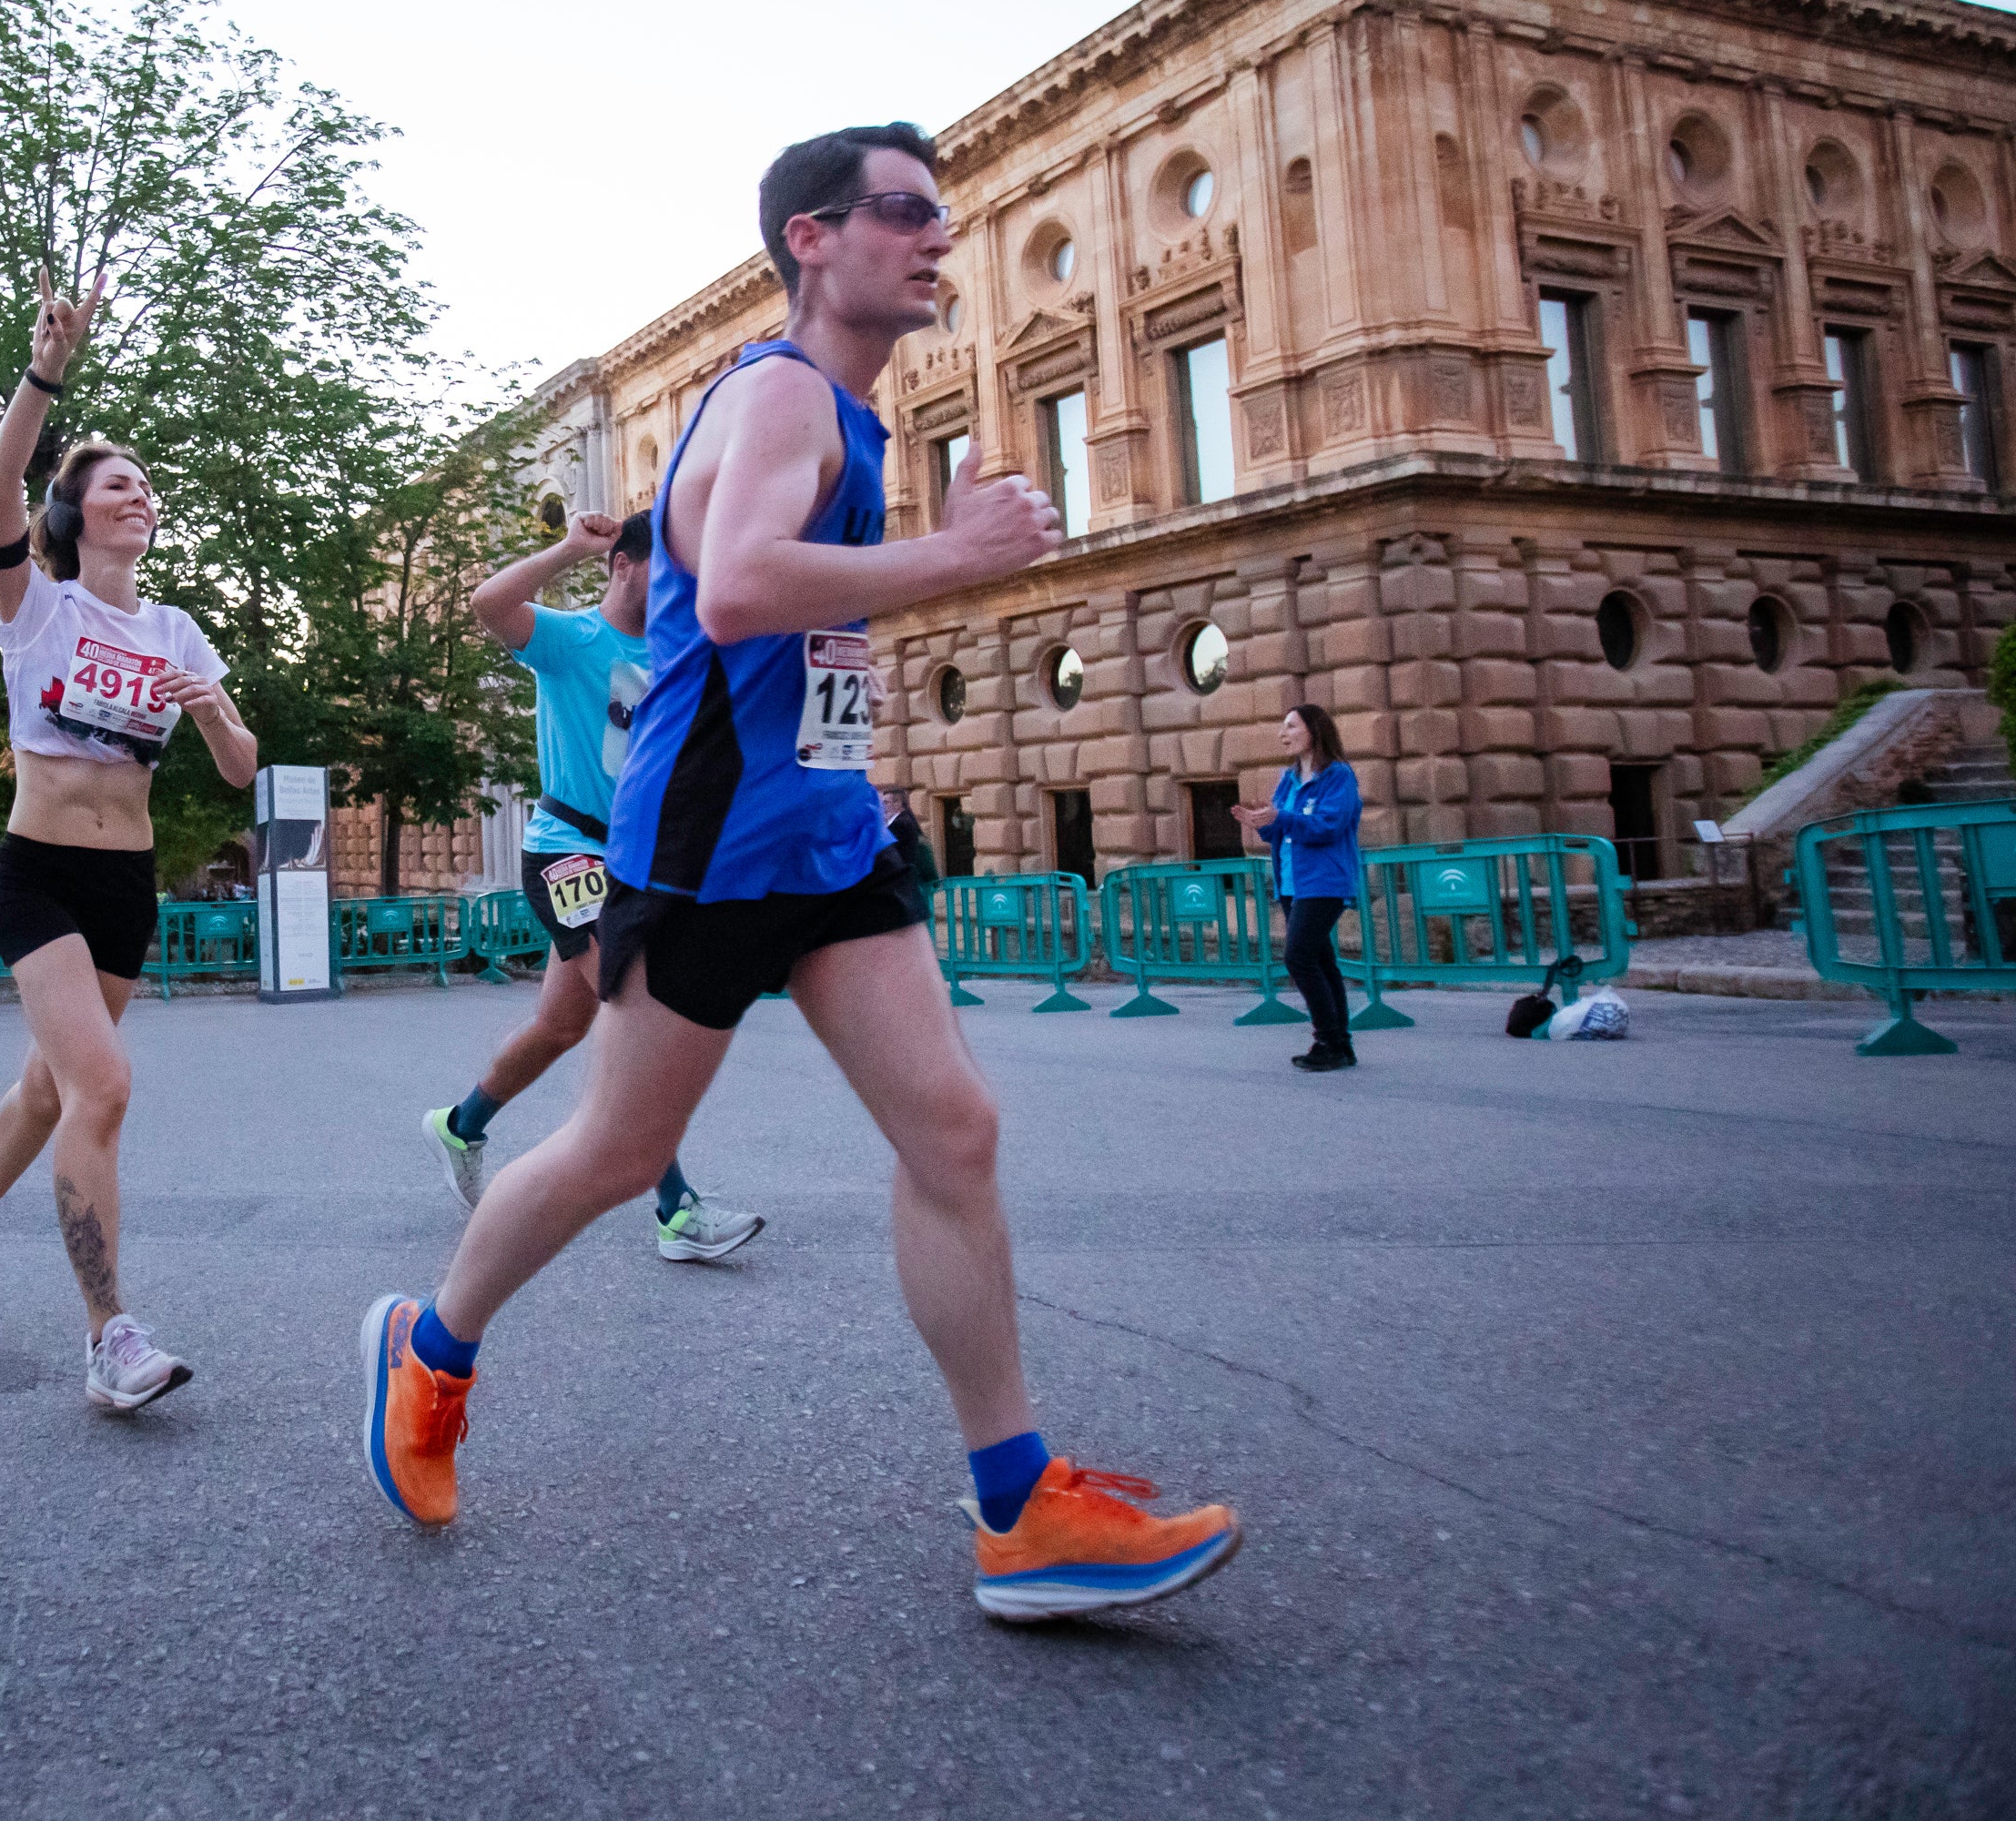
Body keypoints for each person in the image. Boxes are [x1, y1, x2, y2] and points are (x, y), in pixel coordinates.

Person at [358, 124, 1243, 1622]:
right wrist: (959, 558)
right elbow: (751, 584)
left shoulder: (845, 412)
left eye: (940, 217)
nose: (935, 237)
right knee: (613, 1157)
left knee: (952, 1131)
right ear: (811, 240)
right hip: (705, 851)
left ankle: (1017, 1508)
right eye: (902, 212)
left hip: (828, 840)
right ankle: (428, 1357)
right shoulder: (776, 395)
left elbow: (803, 636)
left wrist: (852, 752)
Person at [0, 272, 258, 1413]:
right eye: (117, 483)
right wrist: (46, 369)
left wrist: (210, 706)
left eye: (146, 486)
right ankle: (109, 1333)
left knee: (51, 1087)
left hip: (127, 885)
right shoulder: (36, 605)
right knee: (102, 1086)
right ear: (76, 512)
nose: (138, 496)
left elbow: (243, 766)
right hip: (38, 873)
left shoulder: (173, 627)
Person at [425, 508, 764, 1262]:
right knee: (638, 1005)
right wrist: (572, 547)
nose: (686, 580)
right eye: (671, 566)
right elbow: (487, 605)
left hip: (636, 861)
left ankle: (462, 1122)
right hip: (565, 851)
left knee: (560, 1026)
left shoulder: (683, 652)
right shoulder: (575, 639)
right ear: (625, 565)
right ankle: (677, 1210)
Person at [1237, 703, 1363, 1073]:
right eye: (1283, 727)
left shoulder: (1338, 776)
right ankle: (1340, 1044)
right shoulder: (1288, 778)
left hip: (1324, 882)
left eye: (1291, 726)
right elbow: (1282, 826)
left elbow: (1329, 825)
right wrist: (1261, 821)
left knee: (1299, 957)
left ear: (1313, 730)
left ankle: (1327, 1041)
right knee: (1321, 960)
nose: (1283, 733)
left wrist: (1283, 817)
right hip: (1292, 883)